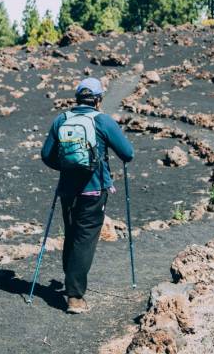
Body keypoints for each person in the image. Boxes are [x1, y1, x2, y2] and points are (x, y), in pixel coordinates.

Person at [41, 77, 134, 314]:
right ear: (98, 99)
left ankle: (70, 281)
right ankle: (74, 296)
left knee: (72, 233)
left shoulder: (61, 119)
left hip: (67, 189)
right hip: (94, 189)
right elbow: (128, 153)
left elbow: (46, 155)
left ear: (77, 98)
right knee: (85, 239)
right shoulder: (102, 121)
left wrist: (66, 166)